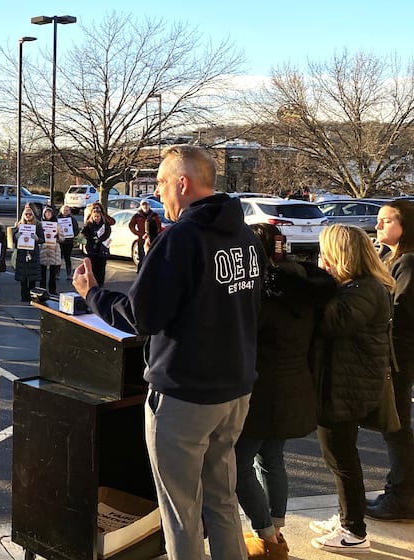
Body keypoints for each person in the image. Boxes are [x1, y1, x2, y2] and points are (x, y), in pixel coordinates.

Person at [72, 144, 264, 560]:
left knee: (181, 511)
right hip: (235, 390)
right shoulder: (245, 236)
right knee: (223, 500)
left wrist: (93, 295)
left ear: (183, 182)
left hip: (185, 396)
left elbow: (142, 316)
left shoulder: (181, 238)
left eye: (160, 183)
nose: (157, 193)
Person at [236, 223, 335, 560]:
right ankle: (275, 531)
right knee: (272, 460)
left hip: (263, 389)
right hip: (295, 385)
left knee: (238, 465)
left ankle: (266, 536)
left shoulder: (262, 291)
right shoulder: (306, 287)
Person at [308, 224, 393, 553]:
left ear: (339, 254)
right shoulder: (358, 287)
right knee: (341, 457)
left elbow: (329, 322)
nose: (321, 257)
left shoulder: (364, 290)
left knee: (342, 458)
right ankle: (348, 518)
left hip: (345, 388)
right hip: (344, 382)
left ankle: (354, 531)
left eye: (324, 251)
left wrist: (318, 281)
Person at [368, 200, 414, 521]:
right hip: (390, 356)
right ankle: (397, 488)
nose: (378, 225)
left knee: (395, 427)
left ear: (404, 226)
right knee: (392, 427)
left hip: (399, 358)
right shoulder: (389, 256)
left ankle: (402, 496)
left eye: (385, 221)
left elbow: (400, 314)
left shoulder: (408, 262)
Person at [10, 204, 41, 302]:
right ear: (23, 215)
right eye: (26, 214)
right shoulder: (19, 225)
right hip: (22, 254)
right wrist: (16, 236)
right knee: (23, 278)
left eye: (30, 214)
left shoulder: (38, 225)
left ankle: (32, 296)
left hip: (33, 254)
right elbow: (14, 240)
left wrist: (37, 238)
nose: (28, 215)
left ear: (33, 214)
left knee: (32, 278)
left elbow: (42, 239)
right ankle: (24, 296)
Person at [81, 203, 112, 285]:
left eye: (98, 216)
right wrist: (92, 237)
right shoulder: (88, 224)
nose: (96, 218)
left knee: (101, 268)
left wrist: (100, 239)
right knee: (93, 268)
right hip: (92, 249)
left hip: (102, 249)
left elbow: (107, 233)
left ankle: (100, 284)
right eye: (95, 216)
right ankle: (93, 284)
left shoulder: (105, 224)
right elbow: (83, 233)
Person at [39, 205, 64, 295]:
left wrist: (58, 237)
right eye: (46, 212)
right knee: (42, 272)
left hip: (54, 250)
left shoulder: (57, 225)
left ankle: (52, 290)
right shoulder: (40, 224)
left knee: (53, 273)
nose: (48, 214)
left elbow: (62, 238)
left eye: (49, 212)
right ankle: (42, 289)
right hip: (44, 250)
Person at [129, 200, 161, 268]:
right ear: (141, 206)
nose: (145, 206)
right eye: (143, 205)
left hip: (152, 239)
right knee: (142, 257)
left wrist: (155, 233)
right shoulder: (137, 216)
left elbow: (158, 225)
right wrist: (138, 233)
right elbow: (131, 225)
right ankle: (140, 271)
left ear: (149, 206)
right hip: (141, 239)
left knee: (151, 256)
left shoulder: (154, 215)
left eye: (147, 205)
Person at [56, 203, 79, 275]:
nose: (65, 211)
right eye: (64, 210)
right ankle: (57, 273)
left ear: (69, 211)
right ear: (61, 210)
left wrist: (72, 235)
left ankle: (69, 273)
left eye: (67, 210)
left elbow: (76, 230)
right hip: (59, 241)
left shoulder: (73, 219)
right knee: (58, 258)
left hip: (69, 241)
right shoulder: (57, 219)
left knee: (67, 258)